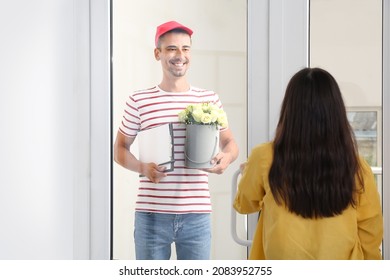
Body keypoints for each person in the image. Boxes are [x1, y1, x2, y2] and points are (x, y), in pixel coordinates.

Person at [114, 20, 239, 260]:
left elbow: (230, 143)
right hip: (151, 216)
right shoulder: (139, 100)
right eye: (172, 48)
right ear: (157, 53)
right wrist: (141, 167)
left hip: (197, 217)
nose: (180, 55)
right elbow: (119, 149)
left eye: (186, 48)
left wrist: (226, 158)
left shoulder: (208, 99)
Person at [234, 67, 383, 260]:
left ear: (290, 109)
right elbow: (370, 228)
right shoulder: (356, 166)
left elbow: (244, 205)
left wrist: (249, 173)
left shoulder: (263, 157)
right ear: (335, 112)